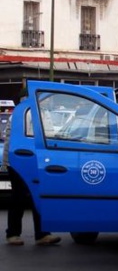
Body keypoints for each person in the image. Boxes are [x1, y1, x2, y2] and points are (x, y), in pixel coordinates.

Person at [2, 105, 61, 246]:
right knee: (19, 196)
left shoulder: (43, 111)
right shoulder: (25, 112)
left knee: (38, 195)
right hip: (20, 159)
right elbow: (29, 136)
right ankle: (13, 233)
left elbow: (49, 133)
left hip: (34, 159)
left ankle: (42, 234)